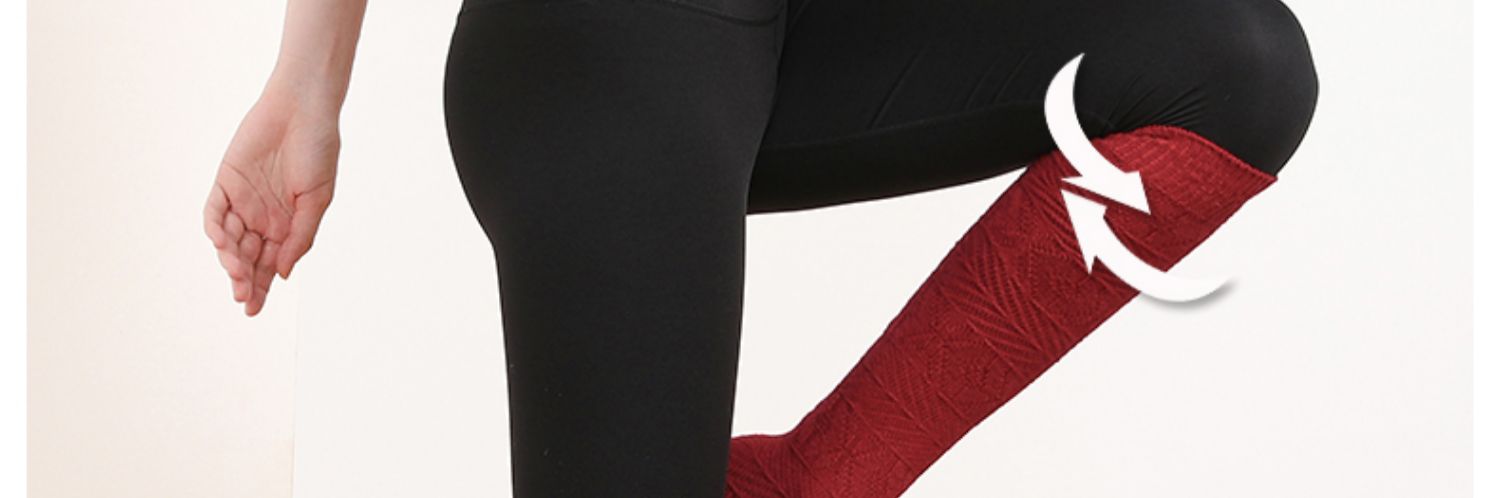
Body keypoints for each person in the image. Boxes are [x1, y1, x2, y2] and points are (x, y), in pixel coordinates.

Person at [203, 0, 1317, 496]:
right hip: (601, 43)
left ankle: (807, 485)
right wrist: (307, 88)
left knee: (1234, 66)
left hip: (811, 26)